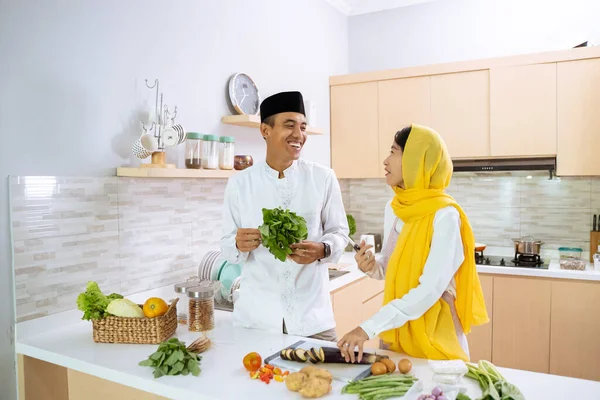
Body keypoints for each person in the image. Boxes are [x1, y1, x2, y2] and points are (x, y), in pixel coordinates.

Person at [337, 124, 489, 363]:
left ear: (415, 160)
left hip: (434, 336)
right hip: (397, 333)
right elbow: (390, 269)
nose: (385, 161)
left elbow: (429, 289)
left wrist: (366, 328)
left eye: (394, 152)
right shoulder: (395, 208)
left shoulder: (445, 215)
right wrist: (371, 266)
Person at [220, 91, 349, 341]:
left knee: (321, 380)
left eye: (302, 127)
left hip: (313, 321)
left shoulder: (323, 178)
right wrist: (237, 243)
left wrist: (323, 249)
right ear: (265, 131)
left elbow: (340, 232)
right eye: (289, 126)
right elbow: (227, 247)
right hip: (256, 322)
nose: (299, 135)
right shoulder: (240, 184)